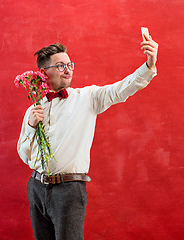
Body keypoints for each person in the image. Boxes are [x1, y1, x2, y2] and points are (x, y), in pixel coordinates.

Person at [17, 32, 158, 240]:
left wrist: (149, 65)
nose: (68, 69)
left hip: (69, 190)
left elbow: (120, 90)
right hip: (36, 187)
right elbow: (23, 153)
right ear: (43, 73)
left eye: (69, 64)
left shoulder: (87, 98)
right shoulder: (34, 108)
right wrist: (31, 126)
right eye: (61, 65)